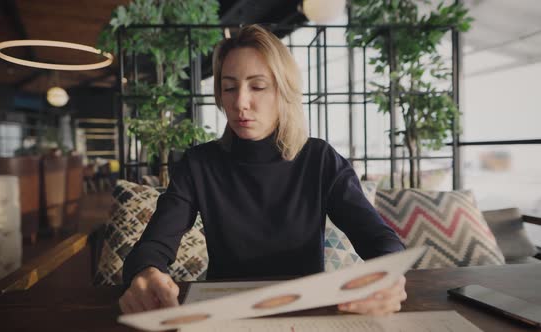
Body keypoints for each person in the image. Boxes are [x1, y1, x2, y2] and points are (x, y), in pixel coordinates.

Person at [119, 25, 406, 316]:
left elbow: (380, 239)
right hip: (224, 315)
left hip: (305, 315)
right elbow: (154, 245)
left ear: (284, 91)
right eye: (229, 87)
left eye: (257, 86)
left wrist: (387, 277)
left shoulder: (320, 159)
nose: (240, 102)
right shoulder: (199, 164)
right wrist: (146, 273)